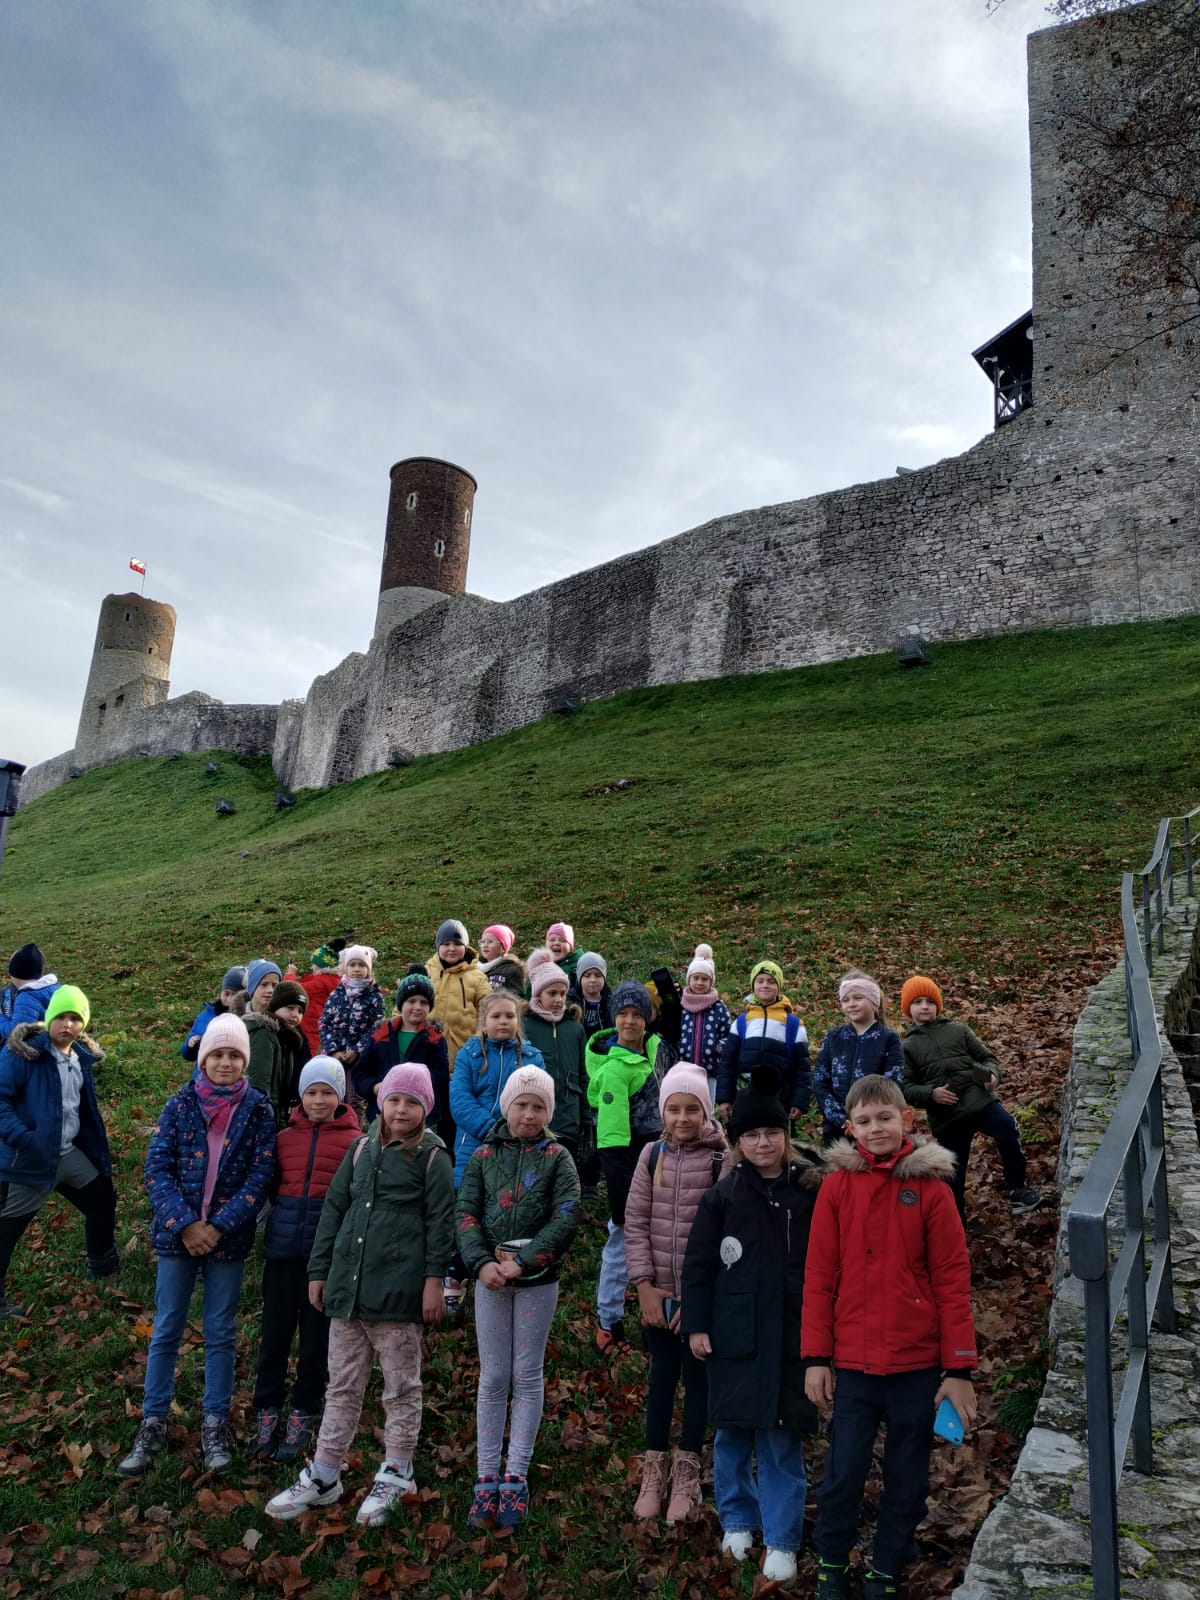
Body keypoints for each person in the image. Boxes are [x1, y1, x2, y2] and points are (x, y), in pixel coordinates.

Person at [802, 1075, 978, 1600]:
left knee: (907, 1477)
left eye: (885, 1117)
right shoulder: (836, 1187)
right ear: (849, 1127)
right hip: (854, 1363)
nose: (876, 1128)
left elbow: (951, 1276)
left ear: (907, 1119)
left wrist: (959, 1369)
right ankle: (832, 1562)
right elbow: (819, 1274)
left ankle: (886, 1566)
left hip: (916, 1363)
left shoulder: (930, 1188)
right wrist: (816, 1356)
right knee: (843, 1472)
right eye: (864, 1120)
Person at [265, 1062, 453, 1527]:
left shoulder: (432, 1157)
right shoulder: (361, 1148)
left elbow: (440, 1223)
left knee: (401, 1386)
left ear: (425, 1108)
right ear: (381, 1102)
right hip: (347, 1291)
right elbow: (334, 1209)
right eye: (395, 1100)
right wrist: (320, 1269)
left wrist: (434, 1281)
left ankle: (397, 1469)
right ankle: (326, 1472)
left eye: (412, 1102)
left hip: (398, 1295)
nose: (402, 1110)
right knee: (343, 1383)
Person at [681, 1067, 824, 1585]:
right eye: (752, 1135)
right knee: (732, 1437)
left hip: (790, 1335)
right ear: (738, 1141)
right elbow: (698, 1265)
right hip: (734, 1334)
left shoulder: (810, 1189)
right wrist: (697, 1324)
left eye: (771, 1133)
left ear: (786, 1134)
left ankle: (783, 1538)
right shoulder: (724, 1195)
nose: (763, 1143)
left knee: (782, 1443)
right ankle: (738, 1522)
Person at [119, 1014, 276, 1477]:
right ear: (203, 1059)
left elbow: (259, 1175)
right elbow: (157, 1168)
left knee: (220, 1332)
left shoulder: (258, 1109)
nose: (225, 1063)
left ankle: (214, 1422)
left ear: (244, 1061)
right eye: (217, 1055)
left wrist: (219, 1226)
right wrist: (186, 1224)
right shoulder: (180, 1104)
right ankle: (153, 1421)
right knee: (166, 1328)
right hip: (177, 1237)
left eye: (233, 1056)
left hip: (226, 1240)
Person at [457, 1065, 580, 1530]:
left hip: (536, 1281)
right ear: (507, 1106)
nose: (529, 1114)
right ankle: (486, 1474)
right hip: (489, 1280)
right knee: (493, 1375)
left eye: (538, 1107)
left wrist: (525, 1262)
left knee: (527, 1374)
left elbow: (567, 1213)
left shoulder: (557, 1157)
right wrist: (481, 1263)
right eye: (521, 1105)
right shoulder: (484, 1154)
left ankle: (516, 1473)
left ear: (548, 1112)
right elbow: (465, 1211)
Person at [624, 1063, 730, 1525]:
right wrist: (645, 1287)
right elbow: (637, 1223)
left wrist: (701, 1302)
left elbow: (727, 1238)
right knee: (662, 1376)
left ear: (706, 1112)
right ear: (663, 1111)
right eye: (674, 1109)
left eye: (693, 1109)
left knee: (698, 1378)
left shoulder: (721, 1161)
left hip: (698, 1300)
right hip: (658, 1294)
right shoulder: (651, 1155)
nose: (683, 1118)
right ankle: (655, 1468)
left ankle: (687, 1468)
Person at [250, 1056, 361, 1462]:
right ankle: (266, 1409)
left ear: (339, 1096)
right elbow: (270, 1187)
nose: (318, 1100)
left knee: (316, 1342)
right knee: (274, 1337)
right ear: (301, 1095)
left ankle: (303, 1409)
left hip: (325, 1258)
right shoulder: (283, 1138)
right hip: (281, 1252)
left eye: (326, 1093)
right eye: (311, 1092)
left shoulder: (354, 1142)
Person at [0, 985, 118, 1319]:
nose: (67, 1025)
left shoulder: (80, 1057)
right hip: (27, 1160)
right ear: (49, 1017)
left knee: (102, 1200)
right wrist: (25, 1139)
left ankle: (102, 1266)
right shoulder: (24, 1053)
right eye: (61, 1017)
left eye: (76, 1018)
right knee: (7, 1230)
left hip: (67, 1155)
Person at [899, 975, 1042, 1219]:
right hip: (947, 1115)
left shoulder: (958, 1030)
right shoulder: (907, 1047)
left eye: (930, 1001)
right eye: (917, 1002)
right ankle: (955, 1223)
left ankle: (1017, 1189)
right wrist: (931, 1094)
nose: (924, 1006)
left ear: (938, 1005)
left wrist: (992, 1075)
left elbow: (988, 1059)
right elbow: (905, 1086)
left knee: (1007, 1128)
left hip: (980, 1100)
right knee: (953, 1171)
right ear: (907, 1009)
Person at [585, 979, 670, 1354]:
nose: (631, 1021)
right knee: (622, 1244)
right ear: (614, 1018)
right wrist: (622, 1200)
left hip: (667, 1162)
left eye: (638, 1014)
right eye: (623, 1014)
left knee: (665, 1245)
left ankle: (662, 1313)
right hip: (634, 1167)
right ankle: (608, 1321)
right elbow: (613, 1142)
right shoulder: (614, 1072)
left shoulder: (657, 1049)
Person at [353, 966, 450, 1134]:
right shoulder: (380, 1036)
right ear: (400, 1004)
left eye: (424, 1002)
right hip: (382, 1114)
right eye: (411, 1001)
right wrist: (374, 1087)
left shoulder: (434, 1039)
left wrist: (416, 1085)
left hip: (421, 1118)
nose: (418, 1007)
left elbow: (440, 1077)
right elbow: (361, 1073)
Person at [812, 971, 903, 1147]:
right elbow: (820, 1081)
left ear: (874, 1001)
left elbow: (893, 1084)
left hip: (874, 1129)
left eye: (858, 998)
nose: (851, 1004)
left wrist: (864, 1121)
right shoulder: (833, 1037)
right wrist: (840, 1119)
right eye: (845, 1000)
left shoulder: (888, 1038)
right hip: (836, 1129)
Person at [714, 960, 809, 1124]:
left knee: (774, 1138)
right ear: (753, 985)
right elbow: (727, 1062)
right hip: (744, 1095)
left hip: (779, 1097)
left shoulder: (794, 1024)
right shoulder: (742, 1022)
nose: (765, 985)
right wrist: (724, 1098)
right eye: (760, 980)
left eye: (771, 981)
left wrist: (799, 1101)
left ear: (779, 986)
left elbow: (802, 1067)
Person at [521, 949, 587, 1164]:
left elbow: (583, 1072)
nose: (559, 999)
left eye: (562, 993)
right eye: (552, 993)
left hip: (569, 1114)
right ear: (538, 993)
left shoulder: (574, 1027)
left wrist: (584, 1114)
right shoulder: (524, 1025)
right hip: (536, 1113)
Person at [318, 946, 385, 1085]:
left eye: (361, 965)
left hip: (362, 1059)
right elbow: (324, 1023)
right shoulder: (335, 994)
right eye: (352, 964)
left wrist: (358, 1050)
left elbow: (378, 1026)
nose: (356, 969)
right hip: (334, 1059)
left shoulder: (374, 996)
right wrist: (333, 1050)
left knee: (356, 1097)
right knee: (334, 1092)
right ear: (346, 968)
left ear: (369, 969)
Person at [427, 920, 490, 1065]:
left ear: (466, 947)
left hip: (464, 1056)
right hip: (426, 1054)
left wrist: (478, 1042)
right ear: (438, 947)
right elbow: (403, 1007)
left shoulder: (477, 977)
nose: (452, 948)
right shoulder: (426, 973)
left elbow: (488, 1010)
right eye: (446, 944)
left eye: (457, 944)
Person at [678, 946, 733, 1106]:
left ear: (711, 982)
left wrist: (717, 1047)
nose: (700, 983)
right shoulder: (681, 1005)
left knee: (707, 1107)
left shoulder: (718, 1007)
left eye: (704, 979)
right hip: (683, 1069)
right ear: (689, 980)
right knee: (688, 1105)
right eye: (696, 978)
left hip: (710, 1069)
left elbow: (727, 1034)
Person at [267, 979, 312, 1124]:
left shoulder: (299, 1038)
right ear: (275, 1007)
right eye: (290, 1008)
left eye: (300, 1011)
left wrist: (295, 1098)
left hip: (288, 1102)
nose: (295, 1014)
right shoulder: (267, 1033)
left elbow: (303, 1068)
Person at [291, 940, 347, 1056]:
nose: (311, 967)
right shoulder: (334, 981)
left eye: (314, 964)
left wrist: (290, 975)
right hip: (318, 1031)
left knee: (304, 1057)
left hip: (308, 1030)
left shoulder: (319, 984)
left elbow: (293, 991)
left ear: (322, 966)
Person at [0, 944, 62, 1046]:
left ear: (14, 974)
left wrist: (1, 1016)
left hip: (30, 1052)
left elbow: (15, 1033)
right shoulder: (54, 988)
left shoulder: (27, 998)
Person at [181, 966, 246, 1063]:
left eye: (235, 995)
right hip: (202, 1075)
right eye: (226, 994)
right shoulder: (205, 1016)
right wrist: (191, 1045)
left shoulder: (244, 1019)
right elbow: (187, 1055)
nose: (229, 999)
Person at [568, 952, 613, 1040]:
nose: (593, 980)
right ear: (579, 978)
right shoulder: (570, 1001)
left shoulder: (611, 1001)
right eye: (587, 976)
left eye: (598, 975)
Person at [479, 925, 525, 998]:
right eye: (482, 942)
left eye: (490, 942)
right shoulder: (473, 967)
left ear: (503, 947)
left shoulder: (512, 969)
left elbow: (517, 997)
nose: (485, 945)